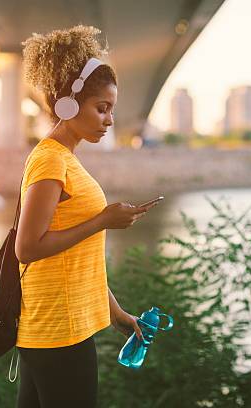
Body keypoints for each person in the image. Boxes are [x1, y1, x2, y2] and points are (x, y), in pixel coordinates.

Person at [14, 25, 158, 408]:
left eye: (112, 109)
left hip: (58, 328)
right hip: (59, 332)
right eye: (102, 108)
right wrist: (102, 220)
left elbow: (81, 259)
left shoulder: (66, 161)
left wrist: (118, 315)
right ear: (67, 104)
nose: (109, 120)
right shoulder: (49, 160)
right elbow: (27, 248)